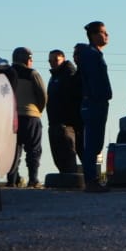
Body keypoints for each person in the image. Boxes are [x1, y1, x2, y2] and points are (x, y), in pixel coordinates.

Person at [76, 21, 112, 193]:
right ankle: (91, 179)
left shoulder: (94, 54)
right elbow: (95, 80)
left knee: (95, 142)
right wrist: (100, 96)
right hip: (94, 103)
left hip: (96, 102)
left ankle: (92, 178)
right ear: (93, 35)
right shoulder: (91, 55)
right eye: (103, 32)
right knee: (92, 142)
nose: (107, 36)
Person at [8, 48, 48, 188]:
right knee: (33, 150)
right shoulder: (32, 73)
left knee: (13, 151)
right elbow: (42, 94)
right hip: (31, 116)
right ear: (28, 59)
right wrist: (38, 110)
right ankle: (33, 179)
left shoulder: (5, 73)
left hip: (11, 117)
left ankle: (12, 180)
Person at [45, 49, 80, 175]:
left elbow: (71, 99)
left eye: (56, 60)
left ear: (63, 59)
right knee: (58, 157)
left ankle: (71, 181)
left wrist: (69, 119)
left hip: (65, 124)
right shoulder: (54, 76)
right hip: (54, 122)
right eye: (50, 61)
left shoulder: (68, 74)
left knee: (68, 155)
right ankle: (65, 179)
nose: (52, 63)